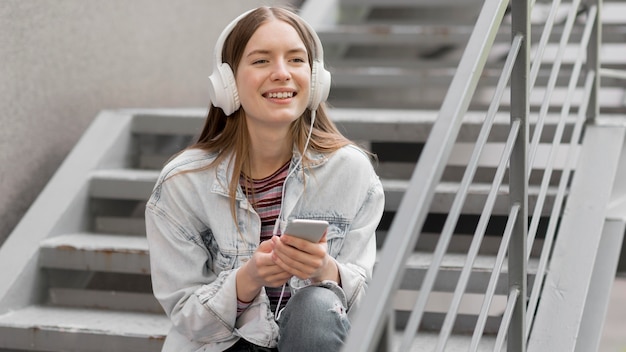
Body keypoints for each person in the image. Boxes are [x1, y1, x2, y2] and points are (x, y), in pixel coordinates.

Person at [145, 6, 385, 352]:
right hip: (223, 345)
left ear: (316, 79)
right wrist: (247, 280)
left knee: (317, 306)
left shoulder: (352, 172)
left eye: (296, 60)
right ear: (227, 84)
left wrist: (327, 272)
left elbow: (365, 311)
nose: (282, 74)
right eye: (261, 61)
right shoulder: (181, 184)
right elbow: (186, 318)